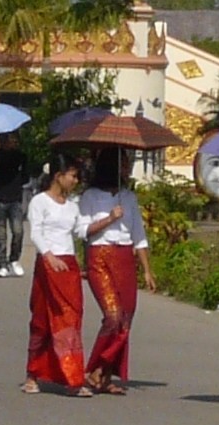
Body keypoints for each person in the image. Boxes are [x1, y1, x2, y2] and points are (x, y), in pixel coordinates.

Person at [79, 147, 156, 396]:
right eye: (123, 164)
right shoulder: (90, 196)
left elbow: (139, 236)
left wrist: (147, 270)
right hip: (100, 255)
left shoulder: (129, 197)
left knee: (126, 319)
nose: (127, 169)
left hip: (124, 257)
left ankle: (106, 374)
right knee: (112, 316)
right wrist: (110, 218)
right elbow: (83, 231)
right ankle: (94, 369)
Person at [22, 154, 94, 398]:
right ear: (58, 176)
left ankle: (73, 376)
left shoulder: (73, 205)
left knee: (71, 319)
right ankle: (33, 374)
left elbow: (81, 230)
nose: (75, 180)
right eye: (72, 175)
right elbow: (37, 233)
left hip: (69, 265)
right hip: (48, 265)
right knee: (43, 320)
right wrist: (49, 256)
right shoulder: (39, 202)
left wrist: (109, 219)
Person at [0, 132, 29, 278]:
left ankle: (14, 259)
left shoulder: (21, 156)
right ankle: (2, 264)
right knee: (1, 234)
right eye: (11, 140)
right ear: (4, 141)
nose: (14, 142)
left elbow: (25, 177)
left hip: (15, 199)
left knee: (18, 231)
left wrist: (17, 180)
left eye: (16, 140)